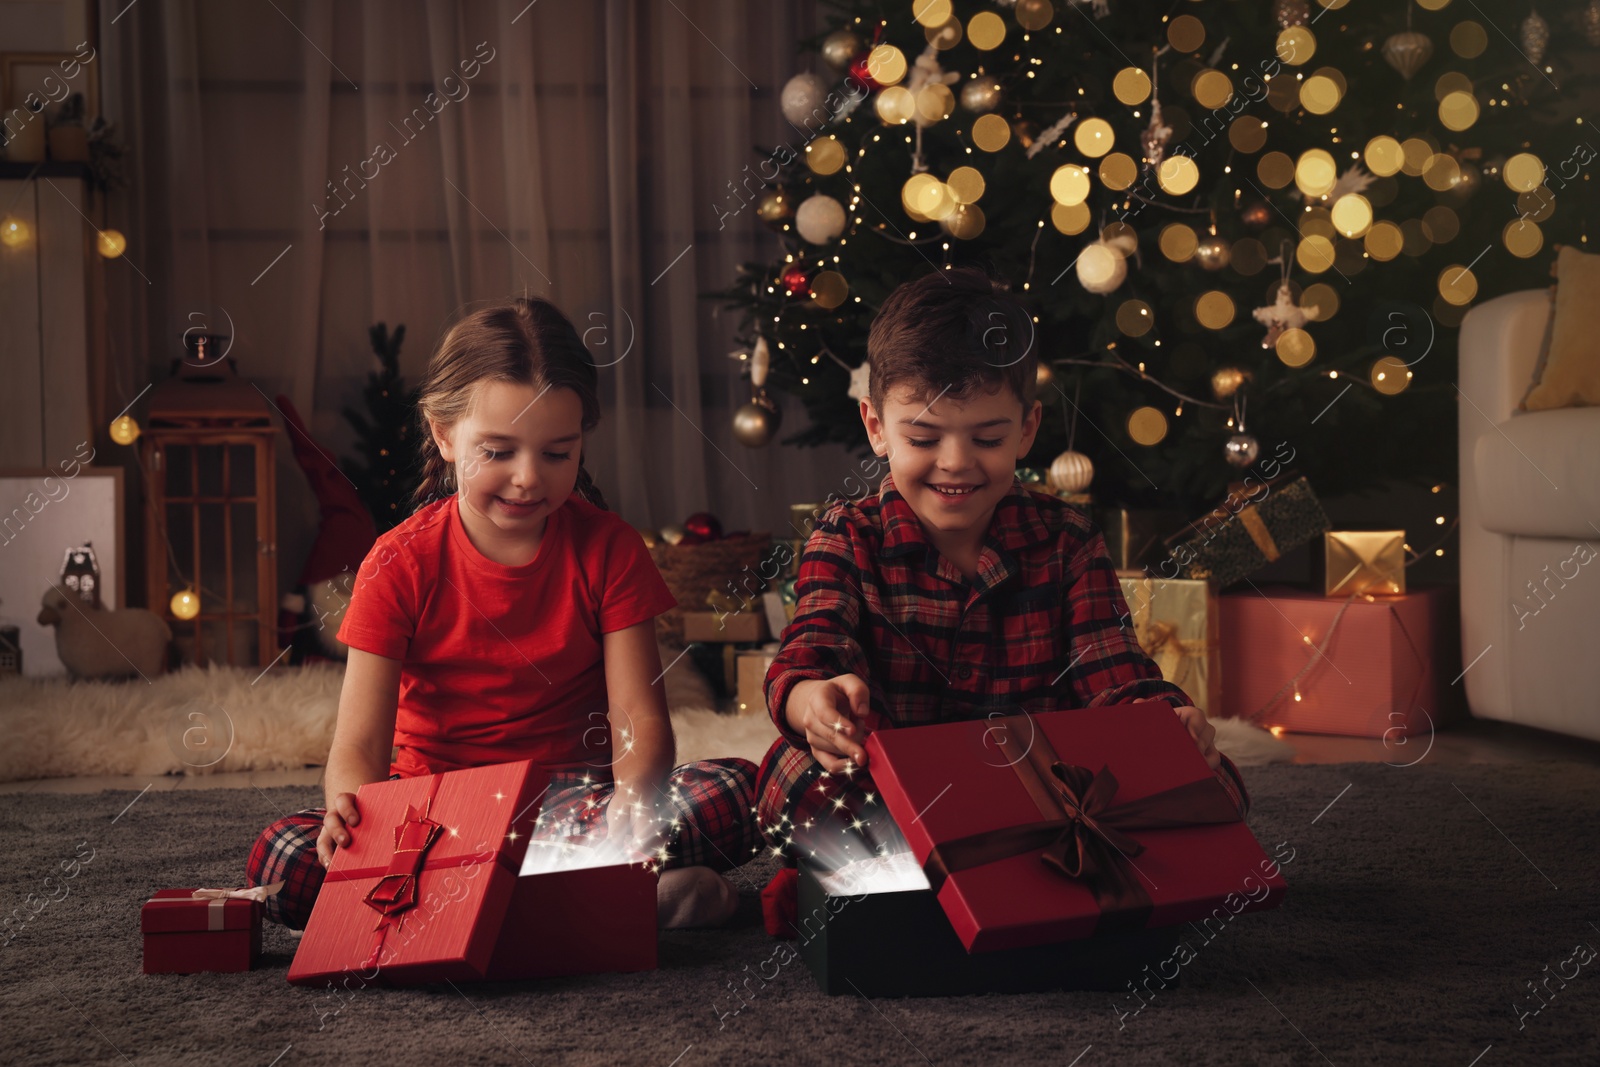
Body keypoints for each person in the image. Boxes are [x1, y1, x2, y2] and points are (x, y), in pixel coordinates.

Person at [247, 297, 758, 931]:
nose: (527, 479)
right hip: (430, 823)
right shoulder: (398, 562)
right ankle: (585, 910)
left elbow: (637, 720)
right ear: (443, 433)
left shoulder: (610, 548)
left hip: (570, 808)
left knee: (737, 792)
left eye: (556, 453)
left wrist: (634, 798)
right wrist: (352, 816)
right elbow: (360, 743)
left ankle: (470, 916)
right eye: (498, 451)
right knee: (283, 860)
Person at [755, 267, 1250, 871]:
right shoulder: (848, 536)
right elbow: (810, 653)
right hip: (896, 787)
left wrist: (1166, 723)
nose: (956, 464)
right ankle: (963, 873)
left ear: (1027, 430)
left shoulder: (1066, 538)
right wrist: (814, 703)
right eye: (925, 438)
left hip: (1040, 789)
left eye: (988, 439)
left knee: (1215, 781)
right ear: (877, 428)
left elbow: (1114, 674)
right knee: (794, 781)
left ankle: (944, 874)